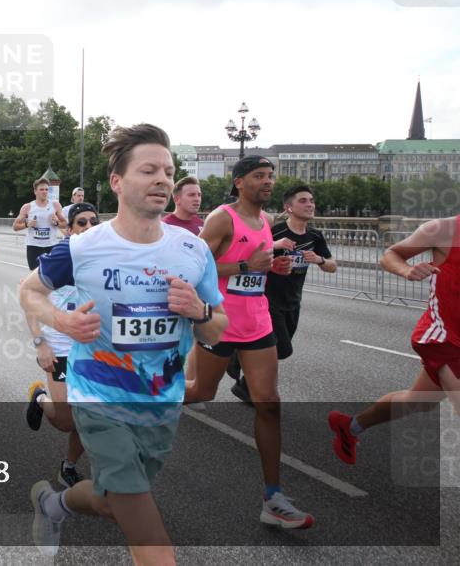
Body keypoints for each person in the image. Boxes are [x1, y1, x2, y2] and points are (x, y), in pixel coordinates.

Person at [20, 124, 227, 562]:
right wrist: (62, 321)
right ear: (117, 181)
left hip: (160, 404)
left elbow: (217, 330)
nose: (163, 180)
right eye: (149, 170)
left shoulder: (193, 251)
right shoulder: (84, 247)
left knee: (114, 502)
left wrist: (199, 312)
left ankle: (52, 505)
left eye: (169, 172)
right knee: (148, 534)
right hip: (98, 399)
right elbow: (29, 291)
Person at [184, 155, 314, 530]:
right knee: (200, 392)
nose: (268, 182)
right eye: (259, 176)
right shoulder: (223, 217)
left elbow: (259, 267)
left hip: (257, 322)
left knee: (269, 403)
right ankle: (140, 397)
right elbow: (194, 267)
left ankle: (272, 498)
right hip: (219, 321)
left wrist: (272, 267)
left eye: (270, 176)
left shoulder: (266, 223)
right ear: (239, 181)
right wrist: (246, 267)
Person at [328, 215, 460, 465]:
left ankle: (350, 426)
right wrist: (407, 270)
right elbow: (391, 254)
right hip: (443, 338)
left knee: (417, 402)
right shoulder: (443, 230)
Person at [231, 184, 337, 403]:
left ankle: (245, 384)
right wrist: (274, 244)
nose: (310, 205)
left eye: (311, 200)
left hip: (293, 300)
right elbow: (248, 251)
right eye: (303, 201)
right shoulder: (276, 230)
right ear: (288, 208)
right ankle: (239, 363)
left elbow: (332, 266)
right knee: (282, 349)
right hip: (268, 299)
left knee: (275, 348)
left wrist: (319, 260)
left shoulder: (315, 236)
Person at [24, 201, 98, 489]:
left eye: (94, 222)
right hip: (59, 344)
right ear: (69, 229)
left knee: (89, 414)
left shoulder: (105, 258)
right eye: (82, 222)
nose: (89, 227)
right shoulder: (61, 258)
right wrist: (41, 345)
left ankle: (68, 465)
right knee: (66, 421)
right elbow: (30, 302)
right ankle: (41, 397)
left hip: (92, 346)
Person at [14, 178, 66, 271]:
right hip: (33, 246)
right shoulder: (28, 207)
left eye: (46, 189)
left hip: (51, 245)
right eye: (41, 189)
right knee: (35, 274)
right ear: (35, 191)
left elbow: (66, 224)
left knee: (51, 275)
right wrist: (27, 224)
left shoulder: (55, 205)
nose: (44, 192)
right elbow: (15, 226)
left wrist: (57, 223)